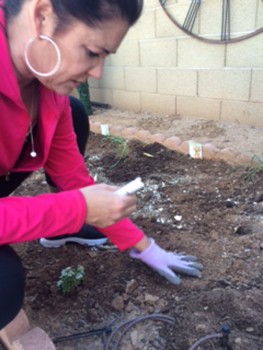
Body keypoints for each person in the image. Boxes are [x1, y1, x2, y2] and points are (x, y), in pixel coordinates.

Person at [0, 0, 203, 333]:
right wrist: (75, 209)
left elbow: (72, 179)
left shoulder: (47, 87)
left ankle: (61, 233)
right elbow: (77, 199)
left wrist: (144, 246)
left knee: (75, 110)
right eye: (93, 52)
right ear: (42, 16)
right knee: (4, 285)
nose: (97, 72)